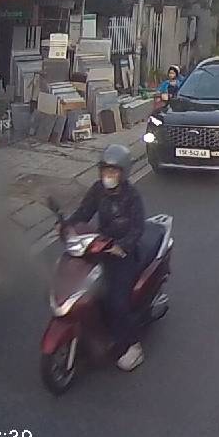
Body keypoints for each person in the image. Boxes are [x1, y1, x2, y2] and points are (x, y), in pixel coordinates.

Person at [62, 144, 147, 371]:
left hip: (122, 254)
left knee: (116, 301)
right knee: (78, 286)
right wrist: (68, 225)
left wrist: (121, 246)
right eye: (105, 170)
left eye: (113, 171)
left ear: (123, 172)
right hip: (98, 247)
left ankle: (132, 345)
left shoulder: (132, 196)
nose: (108, 175)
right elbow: (84, 212)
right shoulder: (98, 189)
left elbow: (137, 229)